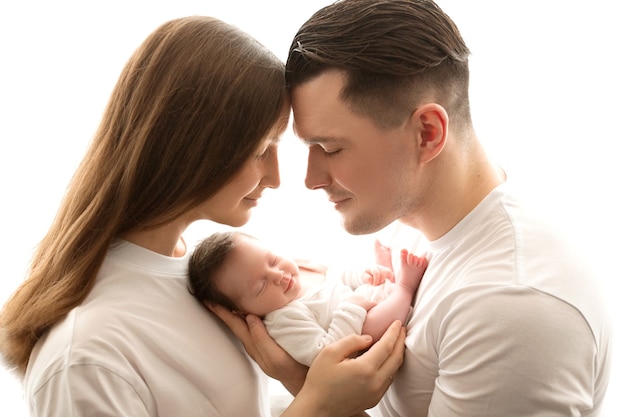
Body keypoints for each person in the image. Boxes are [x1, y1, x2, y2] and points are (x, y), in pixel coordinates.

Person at [215, 0, 613, 416]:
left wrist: (309, 394)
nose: (311, 179)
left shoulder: (510, 307)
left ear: (427, 133)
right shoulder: (409, 222)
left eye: (330, 148)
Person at [0, 16, 407, 417]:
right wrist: (315, 406)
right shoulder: (86, 357)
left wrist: (301, 384)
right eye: (261, 149)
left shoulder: (202, 275)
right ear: (192, 148)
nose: (277, 178)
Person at [188, 231, 427, 366]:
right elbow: (322, 354)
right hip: (363, 336)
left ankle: (385, 274)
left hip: (361, 300)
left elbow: (336, 275)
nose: (279, 275)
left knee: (364, 279)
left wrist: (363, 274)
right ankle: (405, 287)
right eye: (260, 286)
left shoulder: (299, 271)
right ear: (243, 311)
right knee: (370, 323)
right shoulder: (283, 319)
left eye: (272, 260)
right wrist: (351, 310)